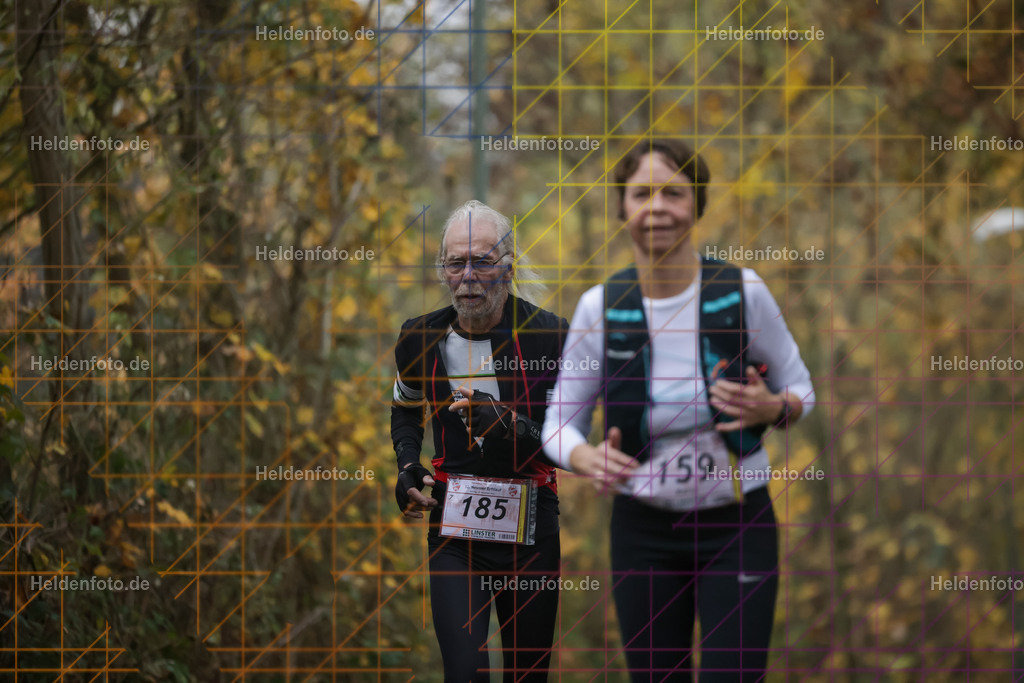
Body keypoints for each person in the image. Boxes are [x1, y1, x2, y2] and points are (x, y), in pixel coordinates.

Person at [541, 139, 815, 682]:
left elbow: (801, 391)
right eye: (641, 194)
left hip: (738, 521)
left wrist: (771, 407)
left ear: (697, 205)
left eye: (673, 193)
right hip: (643, 528)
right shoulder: (602, 307)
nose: (657, 207)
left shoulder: (742, 291)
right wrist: (584, 457)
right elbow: (557, 424)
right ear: (622, 208)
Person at [391, 200, 569, 682]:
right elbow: (405, 408)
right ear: (443, 272)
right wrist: (407, 464)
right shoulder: (418, 339)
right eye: (456, 262)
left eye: (482, 261)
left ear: (508, 268)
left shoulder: (550, 337)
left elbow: (573, 443)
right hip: (454, 532)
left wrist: (507, 423)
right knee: (465, 674)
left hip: (532, 530)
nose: (468, 274)